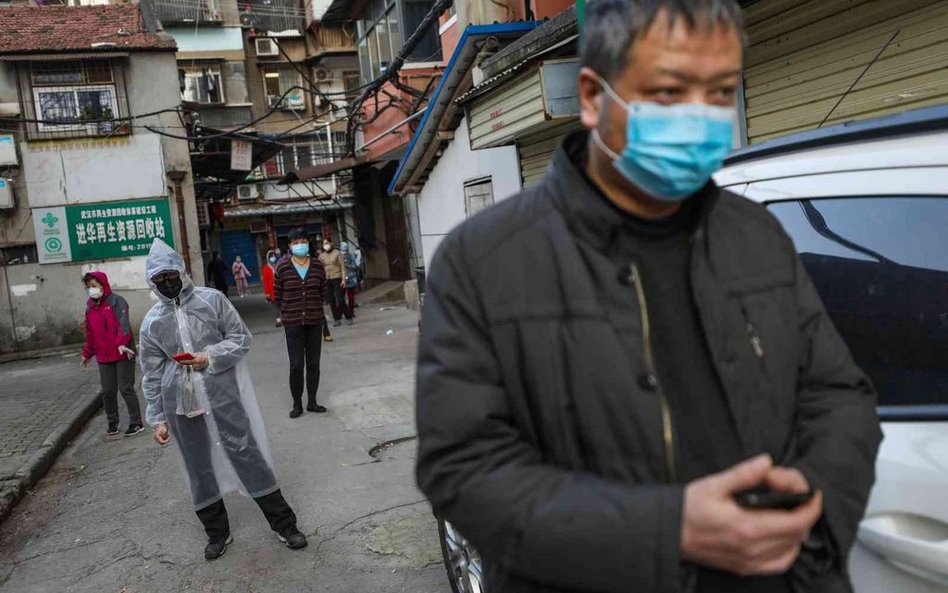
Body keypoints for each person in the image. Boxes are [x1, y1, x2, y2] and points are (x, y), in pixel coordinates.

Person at [414, 2, 882, 593]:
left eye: (718, 93)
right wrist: (670, 530)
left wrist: (814, 515)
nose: (698, 117)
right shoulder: (483, 261)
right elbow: (463, 472)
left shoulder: (756, 234)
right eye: (667, 92)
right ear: (591, 96)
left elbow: (838, 395)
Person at [139, 239, 307, 560]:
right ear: (152, 283)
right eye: (158, 280)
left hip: (221, 392)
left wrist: (209, 356)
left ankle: (285, 524)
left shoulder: (212, 300)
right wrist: (158, 418)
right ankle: (216, 533)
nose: (167, 284)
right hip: (181, 402)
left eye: (170, 276)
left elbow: (241, 337)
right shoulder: (151, 323)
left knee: (246, 453)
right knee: (198, 466)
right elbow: (151, 373)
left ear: (181, 272)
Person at [81, 271, 144, 440]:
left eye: (94, 286)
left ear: (103, 284)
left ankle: (136, 422)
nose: (91, 290)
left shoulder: (117, 301)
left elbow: (123, 325)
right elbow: (90, 333)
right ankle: (112, 423)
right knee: (108, 391)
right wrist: (87, 353)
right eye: (88, 287)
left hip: (123, 352)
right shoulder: (90, 307)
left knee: (126, 388)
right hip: (103, 355)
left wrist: (122, 343)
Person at [274, 228, 329, 418]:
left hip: (315, 320)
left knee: (314, 363)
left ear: (308, 243)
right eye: (295, 242)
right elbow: (277, 295)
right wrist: (287, 312)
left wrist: (314, 307)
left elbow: (322, 292)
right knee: (296, 365)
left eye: (303, 241)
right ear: (289, 246)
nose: (300, 245)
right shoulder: (282, 267)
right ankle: (297, 404)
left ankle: (312, 402)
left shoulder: (317, 266)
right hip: (293, 323)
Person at [318, 239, 352, 326]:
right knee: (331, 300)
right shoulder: (322, 256)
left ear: (331, 243)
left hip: (337, 277)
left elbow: (342, 267)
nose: (326, 245)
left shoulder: (337, 253)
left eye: (327, 243)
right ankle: (336, 319)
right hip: (327, 279)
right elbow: (320, 268)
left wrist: (344, 279)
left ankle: (348, 317)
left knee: (340, 299)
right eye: (324, 243)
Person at [262, 249, 281, 327]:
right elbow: (265, 282)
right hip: (272, 291)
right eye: (271, 257)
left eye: (274, 256)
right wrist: (267, 293)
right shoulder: (265, 268)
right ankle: (278, 320)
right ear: (268, 258)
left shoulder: (279, 265)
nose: (273, 258)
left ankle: (284, 318)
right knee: (276, 306)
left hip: (280, 289)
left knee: (282, 305)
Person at [341, 242, 360, 318]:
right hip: (342, 279)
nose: (344, 254)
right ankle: (343, 312)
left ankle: (351, 312)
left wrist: (347, 265)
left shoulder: (351, 256)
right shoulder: (339, 257)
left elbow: (356, 266)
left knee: (351, 297)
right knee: (341, 297)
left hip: (351, 278)